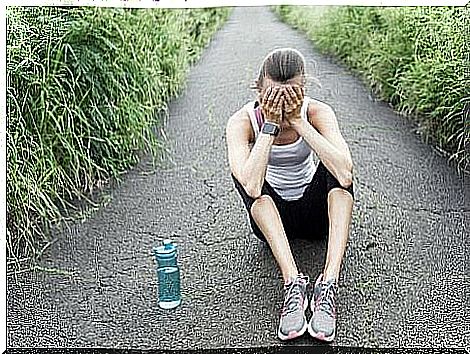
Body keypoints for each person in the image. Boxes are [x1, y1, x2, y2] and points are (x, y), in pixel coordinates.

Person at [225, 48, 354, 342]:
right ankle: (292, 283)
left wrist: (298, 121)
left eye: (291, 94)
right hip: (272, 220)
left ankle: (328, 284)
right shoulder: (241, 122)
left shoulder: (316, 112)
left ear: (304, 88)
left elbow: (345, 174)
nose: (282, 103)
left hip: (315, 215)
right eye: (273, 95)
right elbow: (252, 188)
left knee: (337, 165)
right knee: (245, 175)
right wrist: (269, 126)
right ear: (258, 89)